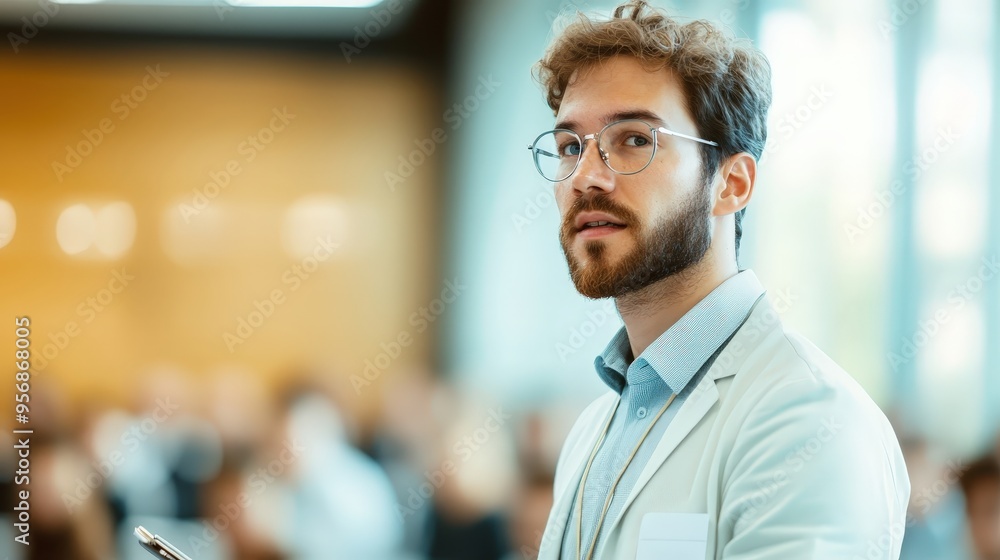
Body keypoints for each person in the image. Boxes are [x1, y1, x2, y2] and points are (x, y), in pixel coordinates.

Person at [525, 2, 910, 558]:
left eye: (633, 139)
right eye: (569, 147)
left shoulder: (808, 421)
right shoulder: (594, 431)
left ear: (731, 183)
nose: (586, 176)